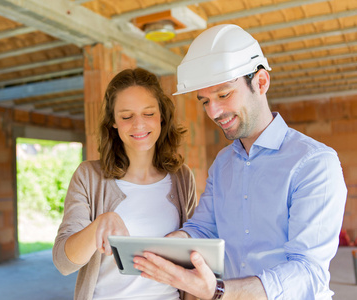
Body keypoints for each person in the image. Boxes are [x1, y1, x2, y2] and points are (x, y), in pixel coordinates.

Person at [133, 24, 347, 299]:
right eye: (205, 101)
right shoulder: (222, 164)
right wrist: (162, 250)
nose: (214, 111)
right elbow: (203, 229)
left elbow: (308, 271)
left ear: (261, 82)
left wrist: (221, 290)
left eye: (223, 95)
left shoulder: (315, 163)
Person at [52, 68, 198, 300]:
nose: (139, 125)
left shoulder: (182, 177)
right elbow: (64, 263)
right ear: (113, 123)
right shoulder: (88, 176)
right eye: (127, 116)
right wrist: (100, 224)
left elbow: (192, 259)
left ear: (162, 115)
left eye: (148, 113)